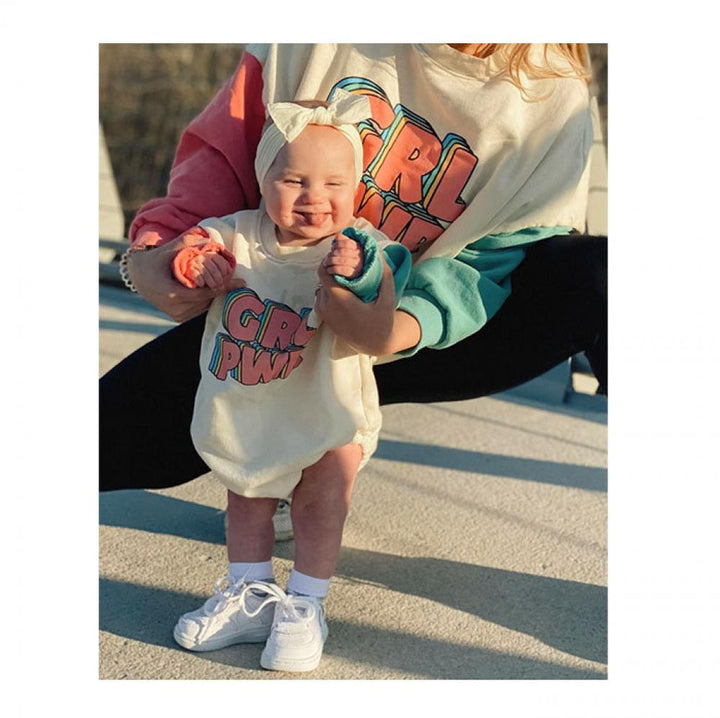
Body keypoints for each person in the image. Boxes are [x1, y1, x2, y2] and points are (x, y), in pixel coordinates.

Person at [100, 41, 606, 624]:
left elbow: (495, 258)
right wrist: (154, 257)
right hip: (275, 318)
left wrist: (387, 329)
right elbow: (223, 158)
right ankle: (289, 460)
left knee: (605, 278)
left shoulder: (553, 91)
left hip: (422, 326)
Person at [168, 92, 412, 673]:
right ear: (263, 179)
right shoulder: (239, 234)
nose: (314, 197)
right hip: (251, 407)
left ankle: (305, 603)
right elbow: (195, 244)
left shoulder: (356, 243)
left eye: (334, 183)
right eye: (295, 180)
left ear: (355, 188)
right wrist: (196, 262)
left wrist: (357, 274)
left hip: (330, 408)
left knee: (322, 503)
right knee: (246, 498)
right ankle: (249, 595)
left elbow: (389, 274)